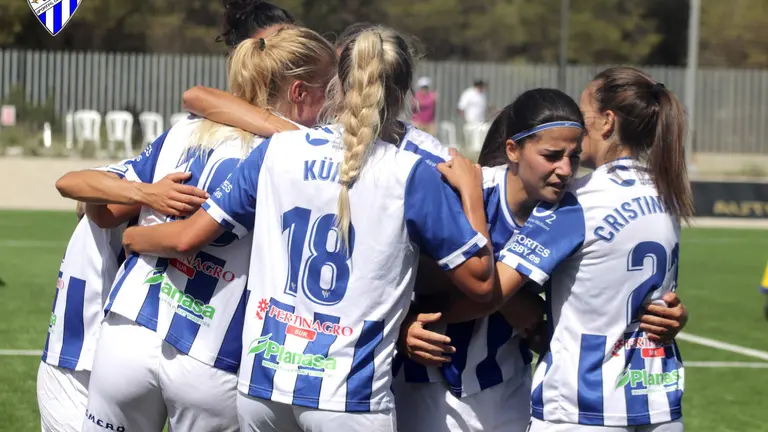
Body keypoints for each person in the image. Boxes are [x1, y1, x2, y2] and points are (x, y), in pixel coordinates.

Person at [120, 25, 495, 432]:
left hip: (262, 388)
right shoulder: (412, 173)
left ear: (337, 82)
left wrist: (134, 236)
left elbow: (191, 234)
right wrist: (472, 196)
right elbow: (480, 283)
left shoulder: (276, 151)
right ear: (405, 96)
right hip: (348, 396)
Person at [60, 27, 336, 432]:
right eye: (329, 90)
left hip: (127, 332)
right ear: (299, 93)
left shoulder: (187, 130)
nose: (336, 104)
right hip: (212, 351)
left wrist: (138, 232)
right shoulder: (299, 157)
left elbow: (107, 212)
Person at [396, 88, 690, 432]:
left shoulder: (571, 210)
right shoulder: (457, 192)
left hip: (507, 387)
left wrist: (666, 312)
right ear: (512, 150)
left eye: (574, 157)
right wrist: (404, 325)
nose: (565, 170)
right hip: (427, 385)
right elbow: (387, 274)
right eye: (552, 155)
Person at [38, 178, 207, 432]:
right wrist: (146, 193)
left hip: (130, 355)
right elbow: (72, 186)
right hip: (75, 355)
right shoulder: (144, 176)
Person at [458, 79, 488, 152]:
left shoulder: (482, 95)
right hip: (471, 120)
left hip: (481, 120)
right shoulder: (469, 93)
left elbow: (483, 107)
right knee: (475, 133)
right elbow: (461, 107)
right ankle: (475, 150)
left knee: (486, 129)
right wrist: (464, 118)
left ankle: (481, 148)